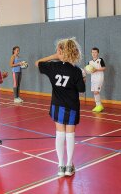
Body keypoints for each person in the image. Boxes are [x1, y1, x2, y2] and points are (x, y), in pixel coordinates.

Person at [35, 38, 85, 177]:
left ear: (60, 52)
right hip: (72, 106)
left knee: (59, 134)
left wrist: (53, 57)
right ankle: (69, 165)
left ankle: (60, 165)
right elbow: (81, 89)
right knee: (70, 135)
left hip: (57, 105)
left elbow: (38, 63)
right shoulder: (76, 71)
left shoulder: (52, 67)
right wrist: (82, 79)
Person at [89, 47, 106, 113]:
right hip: (93, 78)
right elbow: (88, 70)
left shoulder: (100, 60)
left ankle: (99, 106)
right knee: (94, 92)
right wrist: (88, 70)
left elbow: (104, 68)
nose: (94, 53)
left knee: (96, 91)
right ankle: (98, 106)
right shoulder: (90, 62)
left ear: (98, 53)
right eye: (92, 52)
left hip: (99, 77)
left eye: (95, 52)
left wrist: (96, 69)